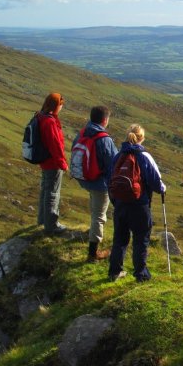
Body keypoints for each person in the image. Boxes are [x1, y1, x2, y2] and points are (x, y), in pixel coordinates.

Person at [107, 124, 166, 282]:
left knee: (119, 238)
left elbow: (110, 180)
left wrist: (115, 201)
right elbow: (156, 182)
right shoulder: (144, 156)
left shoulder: (118, 156)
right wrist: (162, 189)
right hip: (140, 205)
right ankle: (141, 275)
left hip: (120, 204)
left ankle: (114, 271)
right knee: (141, 239)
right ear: (142, 138)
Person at [73, 105, 116, 261]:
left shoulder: (82, 133)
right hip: (99, 183)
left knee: (95, 208)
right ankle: (93, 253)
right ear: (105, 120)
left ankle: (92, 234)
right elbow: (113, 163)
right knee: (99, 215)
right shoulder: (104, 139)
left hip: (85, 178)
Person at [36, 92, 68, 236]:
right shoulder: (49, 121)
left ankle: (43, 220)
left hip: (45, 161)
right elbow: (55, 145)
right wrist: (63, 164)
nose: (61, 108)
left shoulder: (41, 116)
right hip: (52, 162)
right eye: (60, 105)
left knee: (46, 190)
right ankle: (51, 225)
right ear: (56, 105)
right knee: (52, 193)